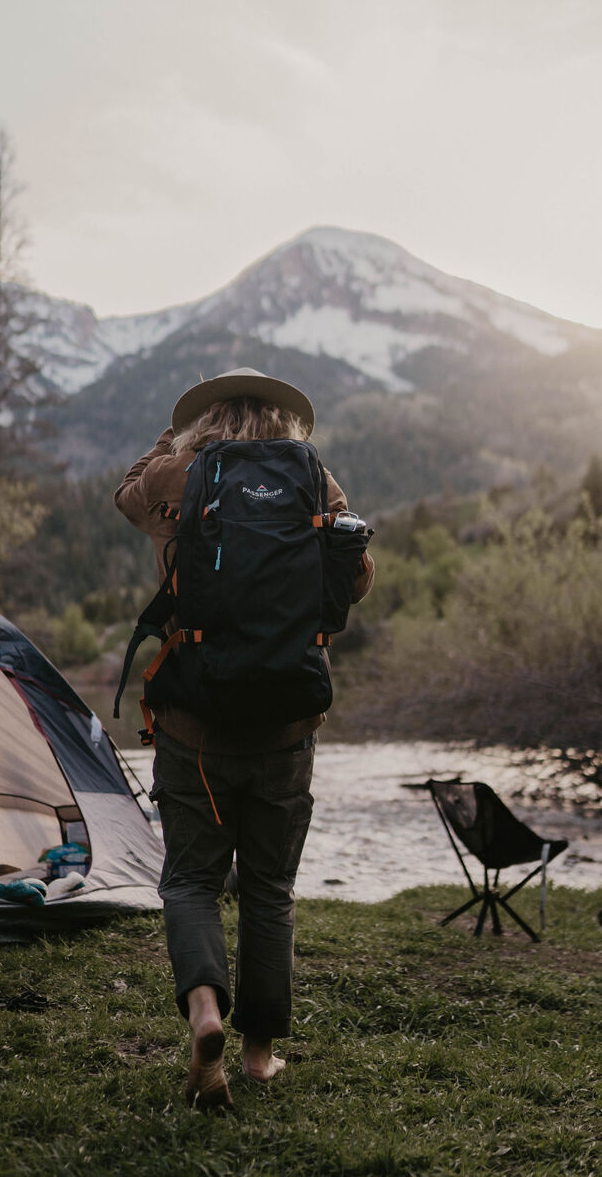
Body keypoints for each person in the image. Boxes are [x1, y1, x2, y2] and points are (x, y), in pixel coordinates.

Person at [114, 367, 374, 1110]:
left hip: (193, 721)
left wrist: (171, 438)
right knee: (268, 888)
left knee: (192, 880)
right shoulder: (315, 480)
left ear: (204, 417)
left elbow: (126, 492)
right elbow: (357, 577)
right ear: (285, 420)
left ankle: (205, 1016)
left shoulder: (176, 476)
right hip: (288, 721)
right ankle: (259, 1055)